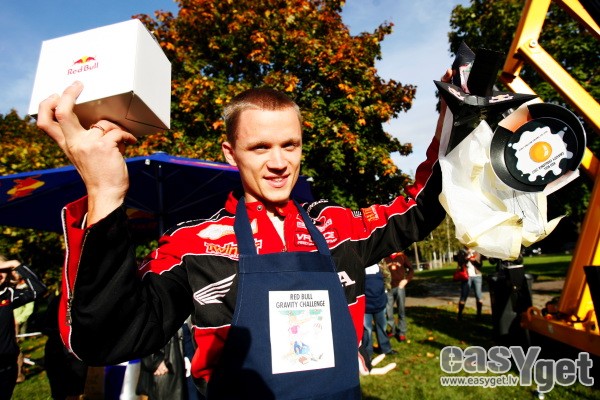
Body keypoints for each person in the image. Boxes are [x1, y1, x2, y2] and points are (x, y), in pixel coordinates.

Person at [36, 70, 451, 399]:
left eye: (290, 145)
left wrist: (452, 119)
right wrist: (105, 192)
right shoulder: (194, 244)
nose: (279, 162)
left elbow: (419, 210)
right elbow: (107, 339)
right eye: (260, 147)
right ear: (230, 152)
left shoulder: (338, 226)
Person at [0, 256, 46, 400]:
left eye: (3, 270)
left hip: (6, 366)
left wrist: (15, 264)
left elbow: (39, 289)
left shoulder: (9, 295)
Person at [362, 264, 396, 358]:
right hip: (365, 306)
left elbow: (387, 278)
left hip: (380, 303)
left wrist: (385, 291)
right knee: (367, 330)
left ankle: (385, 349)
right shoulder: (359, 267)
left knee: (382, 327)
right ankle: (368, 353)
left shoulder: (380, 266)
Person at [382, 251, 414, 342]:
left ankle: (401, 332)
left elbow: (411, 270)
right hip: (388, 289)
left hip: (400, 288)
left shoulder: (402, 256)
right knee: (389, 311)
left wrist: (406, 280)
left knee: (401, 310)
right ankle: (392, 330)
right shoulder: (384, 257)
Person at [457, 247, 483, 320]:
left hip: (477, 276)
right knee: (463, 295)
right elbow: (459, 263)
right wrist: (466, 257)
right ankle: (459, 315)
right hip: (466, 276)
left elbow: (480, 264)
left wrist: (474, 260)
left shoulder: (477, 251)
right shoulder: (462, 252)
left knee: (478, 295)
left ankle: (479, 315)